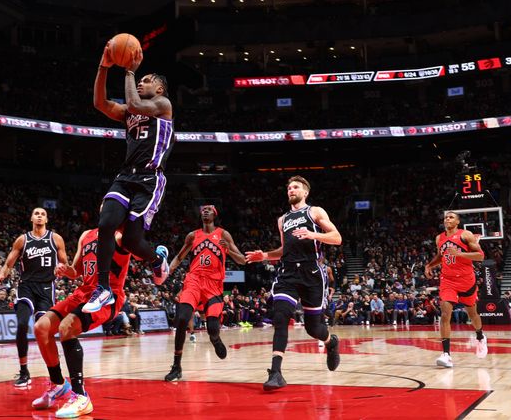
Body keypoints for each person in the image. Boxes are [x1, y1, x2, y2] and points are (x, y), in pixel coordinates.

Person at [84, 42, 174, 314]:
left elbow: (134, 102)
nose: (142, 82)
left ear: (159, 89)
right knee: (106, 223)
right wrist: (103, 66)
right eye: (140, 79)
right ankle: (103, 289)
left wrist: (129, 72)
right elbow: (99, 103)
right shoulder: (130, 113)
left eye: (147, 80)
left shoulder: (162, 104)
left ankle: (157, 260)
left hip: (150, 179)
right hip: (125, 177)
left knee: (133, 242)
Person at [246, 176, 342, 391]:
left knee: (313, 328)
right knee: (280, 317)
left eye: (296, 187)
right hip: (287, 273)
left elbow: (337, 238)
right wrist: (264, 256)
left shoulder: (315, 212)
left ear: (305, 192)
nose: (291, 190)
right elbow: (282, 250)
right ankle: (276, 372)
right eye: (289, 187)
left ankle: (331, 343)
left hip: (311, 272)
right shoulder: (282, 220)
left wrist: (312, 234)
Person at [32, 226, 130, 418]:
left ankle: (81, 396)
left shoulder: (120, 236)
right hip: (83, 292)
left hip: (108, 296)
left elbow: (138, 247)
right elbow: (76, 271)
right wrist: (64, 269)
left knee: (66, 327)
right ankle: (58, 384)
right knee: (41, 328)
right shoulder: (86, 235)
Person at [164, 205, 246, 382]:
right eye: (203, 210)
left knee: (212, 328)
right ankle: (177, 365)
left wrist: (229, 250)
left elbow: (242, 260)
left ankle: (215, 339)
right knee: (183, 318)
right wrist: (167, 271)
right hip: (193, 281)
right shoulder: (193, 236)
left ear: (215, 214)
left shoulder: (223, 234)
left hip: (214, 285)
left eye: (209, 209)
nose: (205, 211)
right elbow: (179, 257)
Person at [0, 207, 68, 387]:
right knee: (21, 324)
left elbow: (65, 262)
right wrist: (1, 274)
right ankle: (23, 371)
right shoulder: (23, 240)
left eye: (43, 214)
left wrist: (62, 268)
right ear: (31, 218)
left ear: (46, 219)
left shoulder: (55, 238)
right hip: (26, 287)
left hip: (46, 288)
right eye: (36, 213)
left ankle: (54, 372)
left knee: (43, 332)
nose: (39, 216)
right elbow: (9, 263)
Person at [424, 211, 488, 367]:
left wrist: (460, 254)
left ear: (458, 221)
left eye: (451, 217)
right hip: (448, 280)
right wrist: (429, 265)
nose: (447, 219)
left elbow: (480, 256)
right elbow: (441, 255)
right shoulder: (439, 238)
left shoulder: (466, 235)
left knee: (472, 314)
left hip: (466, 280)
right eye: (446, 217)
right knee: (445, 314)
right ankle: (446, 355)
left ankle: (480, 337)